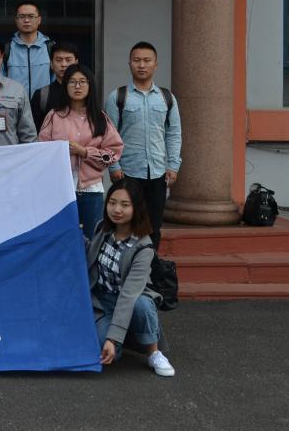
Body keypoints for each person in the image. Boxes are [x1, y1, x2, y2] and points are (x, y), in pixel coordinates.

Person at [87, 178, 175, 377]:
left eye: (125, 205)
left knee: (142, 304)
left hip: (131, 299)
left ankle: (154, 353)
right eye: (112, 203)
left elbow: (128, 295)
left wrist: (113, 338)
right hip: (102, 301)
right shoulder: (102, 228)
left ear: (136, 208)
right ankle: (124, 335)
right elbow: (89, 253)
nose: (117, 209)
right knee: (104, 353)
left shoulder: (143, 246)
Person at [104, 41, 182, 249]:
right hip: (127, 173)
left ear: (156, 64)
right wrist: (114, 166)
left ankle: (149, 265)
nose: (141, 65)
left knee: (153, 227)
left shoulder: (167, 98)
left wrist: (173, 165)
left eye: (147, 60)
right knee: (125, 224)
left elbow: (174, 133)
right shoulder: (117, 97)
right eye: (137, 60)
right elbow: (109, 135)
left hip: (158, 173)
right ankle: (123, 265)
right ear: (129, 63)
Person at [39, 64, 123, 239]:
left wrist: (85, 152)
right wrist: (61, 152)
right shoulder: (54, 116)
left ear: (90, 85)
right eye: (72, 82)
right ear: (65, 86)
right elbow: (42, 151)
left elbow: (113, 153)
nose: (77, 86)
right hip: (60, 189)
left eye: (82, 82)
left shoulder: (99, 117)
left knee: (93, 237)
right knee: (61, 238)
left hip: (91, 188)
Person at [3, 0, 54, 98]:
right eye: (22, 16)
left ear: (39, 20)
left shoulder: (50, 47)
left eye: (31, 16)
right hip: (14, 104)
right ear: (16, 20)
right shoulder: (7, 49)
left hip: (43, 105)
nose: (26, 20)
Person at [30, 42, 80, 130]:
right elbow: (33, 129)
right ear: (51, 64)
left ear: (76, 63)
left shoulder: (85, 92)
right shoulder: (41, 95)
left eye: (68, 60)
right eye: (58, 60)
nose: (63, 64)